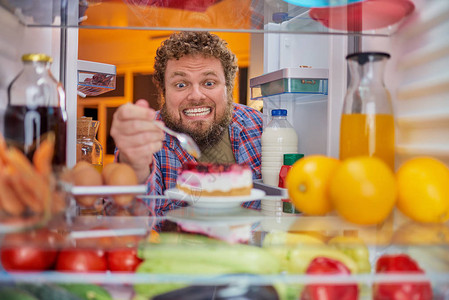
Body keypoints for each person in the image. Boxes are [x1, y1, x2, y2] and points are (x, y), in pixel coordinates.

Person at [110, 31, 262, 216]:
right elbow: (126, 221)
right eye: (181, 84)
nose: (196, 96)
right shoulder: (144, 137)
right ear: (163, 90)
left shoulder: (255, 125)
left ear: (228, 88)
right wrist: (136, 168)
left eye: (209, 83)